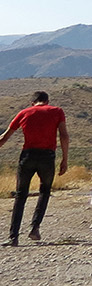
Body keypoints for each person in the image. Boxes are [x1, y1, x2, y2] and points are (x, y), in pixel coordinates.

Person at [1, 91, 69, 246]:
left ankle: (13, 237)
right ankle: (35, 227)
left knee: (21, 195)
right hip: (47, 157)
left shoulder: (24, 112)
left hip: (27, 156)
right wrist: (64, 159)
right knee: (44, 191)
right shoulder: (57, 111)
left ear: (33, 102)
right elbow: (64, 136)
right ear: (47, 101)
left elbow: (4, 137)